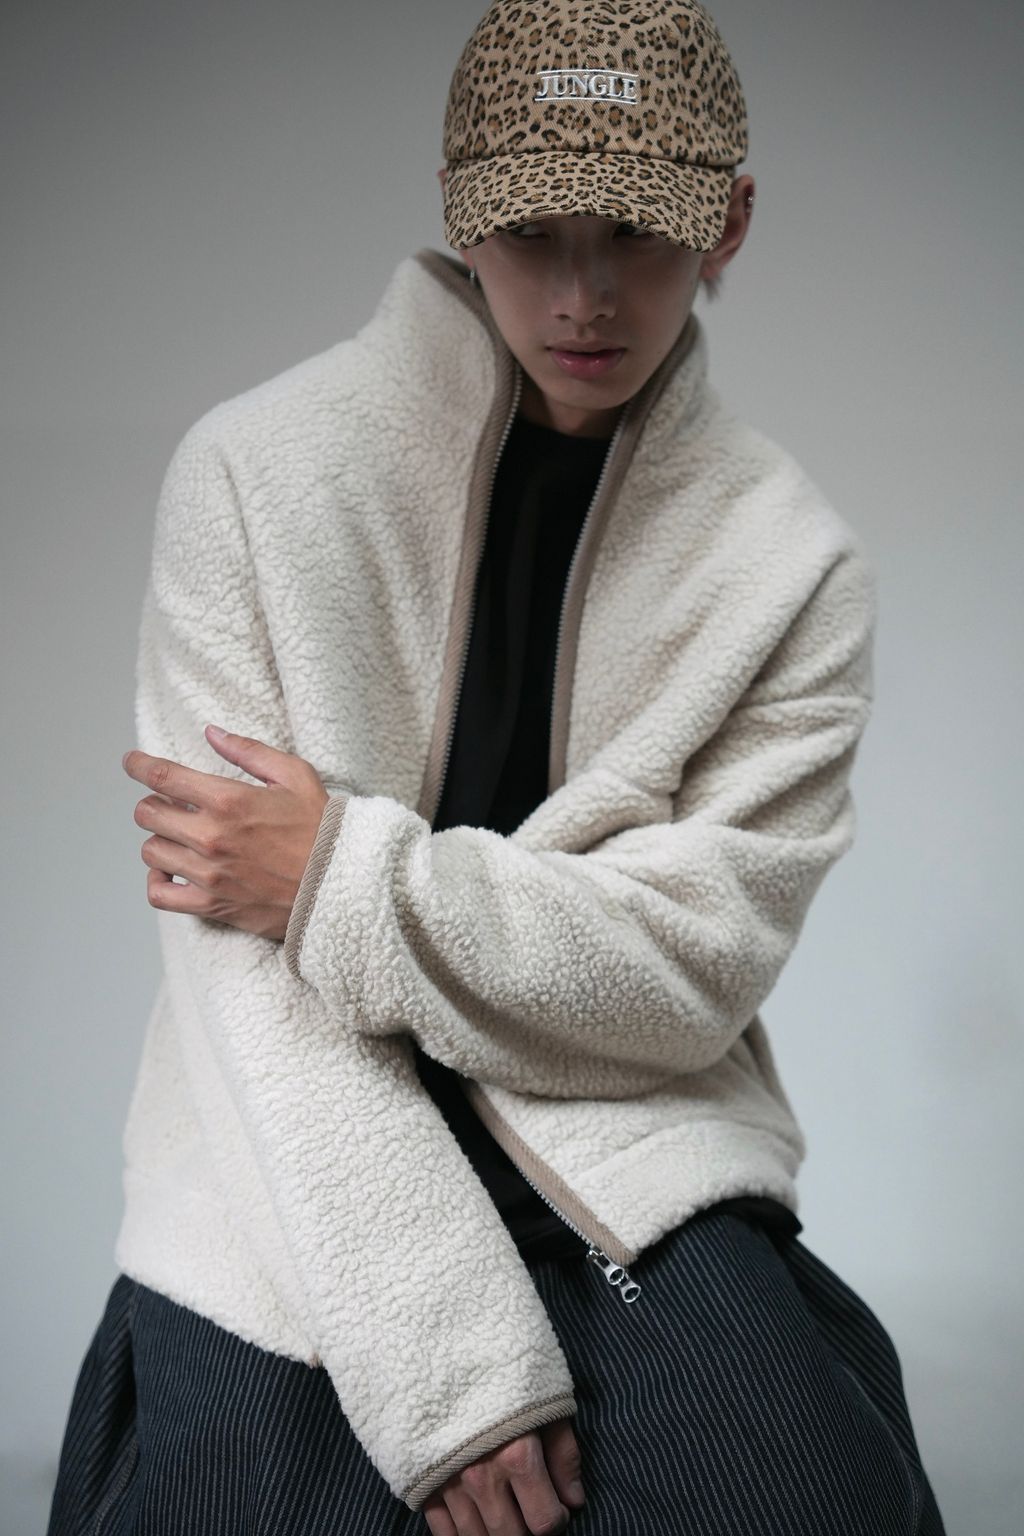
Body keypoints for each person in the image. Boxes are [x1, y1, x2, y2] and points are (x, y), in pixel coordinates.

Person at [46, 2, 947, 1533]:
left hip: (626, 1142)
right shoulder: (257, 476)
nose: (585, 294)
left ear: (727, 223)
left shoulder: (791, 566)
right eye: (534, 234)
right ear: (462, 216)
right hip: (301, 1135)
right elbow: (238, 969)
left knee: (805, 1498)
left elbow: (691, 965)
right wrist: (453, 1374)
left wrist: (339, 880)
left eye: (637, 235)